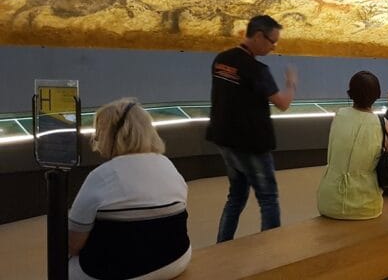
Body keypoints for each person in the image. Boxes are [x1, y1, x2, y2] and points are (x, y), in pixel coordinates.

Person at [68, 98, 190, 280]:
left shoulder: (101, 176)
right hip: (176, 261)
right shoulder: (168, 166)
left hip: (119, 273)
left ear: (111, 136)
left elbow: (73, 244)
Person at [206, 15, 298, 242]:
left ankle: (222, 244)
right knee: (268, 198)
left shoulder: (221, 60)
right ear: (258, 36)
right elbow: (283, 103)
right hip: (252, 143)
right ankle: (271, 251)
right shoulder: (256, 69)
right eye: (272, 41)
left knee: (236, 196)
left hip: (224, 139)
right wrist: (291, 83)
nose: (273, 47)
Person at [317, 71, 384, 219]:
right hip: (367, 206)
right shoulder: (382, 124)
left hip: (328, 202)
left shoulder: (338, 115)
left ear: (350, 93)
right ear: (377, 95)